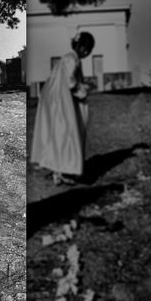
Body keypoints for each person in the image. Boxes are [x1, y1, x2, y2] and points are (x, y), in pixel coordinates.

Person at [30, 31, 95, 185]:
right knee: (67, 135)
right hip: (60, 101)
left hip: (52, 99)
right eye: (86, 49)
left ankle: (57, 170)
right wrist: (83, 91)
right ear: (82, 48)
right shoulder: (71, 60)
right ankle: (62, 170)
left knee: (56, 135)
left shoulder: (67, 58)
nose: (86, 52)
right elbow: (70, 81)